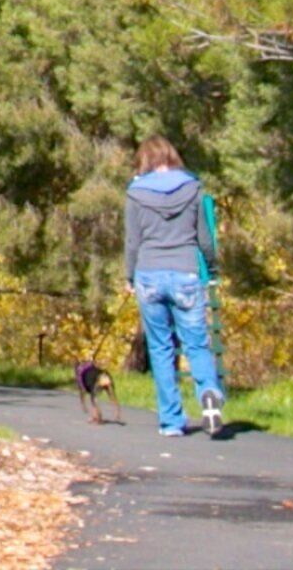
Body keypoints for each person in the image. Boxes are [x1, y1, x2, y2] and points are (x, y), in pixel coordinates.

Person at [124, 137, 225, 438]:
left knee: (160, 348)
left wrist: (129, 276)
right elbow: (204, 237)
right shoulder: (192, 188)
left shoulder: (135, 193)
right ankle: (208, 392)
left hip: (149, 273)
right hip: (185, 273)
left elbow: (132, 241)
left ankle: (171, 421)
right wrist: (212, 268)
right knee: (197, 344)